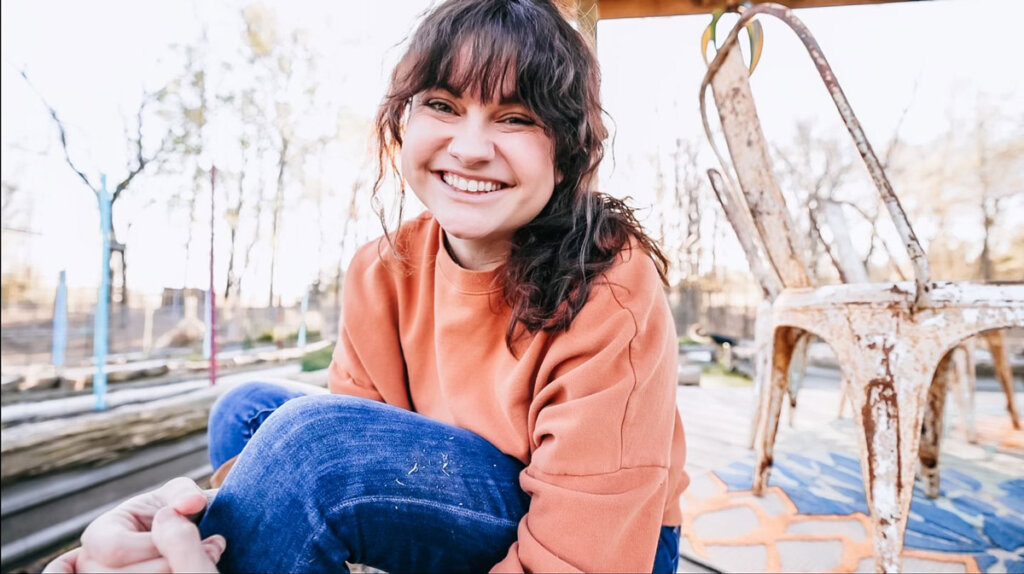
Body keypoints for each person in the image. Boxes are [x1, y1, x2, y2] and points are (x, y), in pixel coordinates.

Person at [46, 0, 688, 571]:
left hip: (601, 540)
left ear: (567, 149)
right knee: (246, 412)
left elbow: (589, 556)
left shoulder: (609, 291)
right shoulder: (383, 268)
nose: (469, 148)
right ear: (404, 120)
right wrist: (192, 515)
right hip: (446, 478)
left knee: (313, 448)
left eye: (515, 117)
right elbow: (360, 421)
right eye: (442, 105)